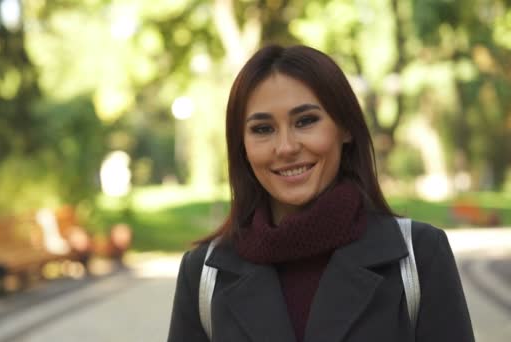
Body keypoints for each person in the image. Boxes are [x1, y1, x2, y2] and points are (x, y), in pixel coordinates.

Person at [167, 44, 474, 342]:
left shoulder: (419, 256)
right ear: (242, 147)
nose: (286, 147)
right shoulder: (203, 274)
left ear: (345, 128)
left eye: (306, 121)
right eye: (262, 129)